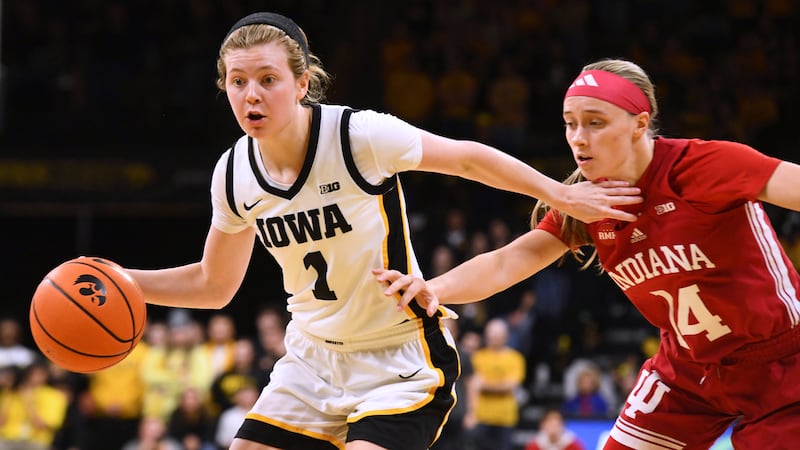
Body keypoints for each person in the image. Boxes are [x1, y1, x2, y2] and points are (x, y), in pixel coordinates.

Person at [123, 12, 642, 450]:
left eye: (267, 79)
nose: (250, 95)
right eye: (237, 82)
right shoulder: (233, 173)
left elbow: (466, 158)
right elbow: (215, 286)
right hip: (311, 360)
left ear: (302, 84)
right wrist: (122, 280)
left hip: (400, 355)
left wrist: (561, 193)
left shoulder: (357, 136)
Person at [374, 58, 800, 449]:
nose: (578, 138)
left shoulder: (703, 166)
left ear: (639, 123)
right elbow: (509, 260)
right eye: (570, 123)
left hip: (783, 362)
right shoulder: (584, 202)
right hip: (687, 371)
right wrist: (432, 288)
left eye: (595, 123)